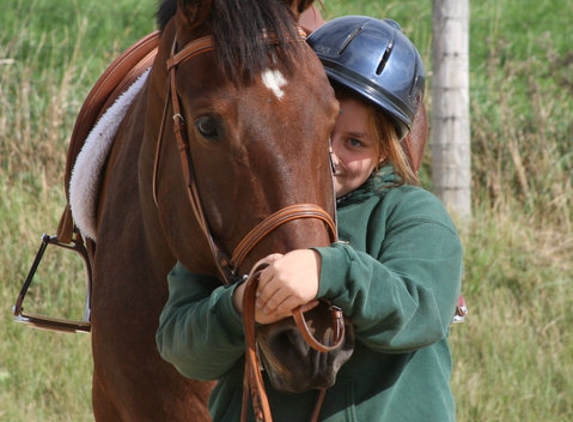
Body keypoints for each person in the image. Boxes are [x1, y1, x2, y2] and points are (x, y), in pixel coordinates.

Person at [156, 15, 463, 422]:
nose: (332, 155)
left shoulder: (413, 215)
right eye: (322, 132)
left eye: (355, 142)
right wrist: (241, 305)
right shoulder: (241, 214)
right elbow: (179, 342)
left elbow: (420, 312)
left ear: (386, 151)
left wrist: (329, 270)